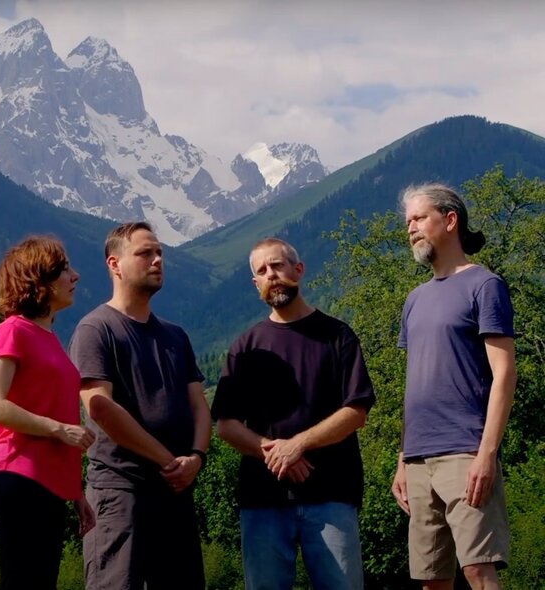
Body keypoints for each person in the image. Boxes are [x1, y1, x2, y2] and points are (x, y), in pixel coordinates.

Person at [212, 237, 375, 590]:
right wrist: (276, 451)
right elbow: (225, 424)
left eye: (278, 265)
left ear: (298, 270)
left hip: (332, 495)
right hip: (262, 500)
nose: (272, 275)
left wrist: (298, 444)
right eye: (262, 271)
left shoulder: (338, 336)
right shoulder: (246, 347)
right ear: (256, 284)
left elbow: (356, 410)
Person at [68, 221, 211, 590]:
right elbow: (99, 408)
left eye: (160, 252)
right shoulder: (96, 329)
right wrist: (169, 460)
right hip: (120, 493)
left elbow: (199, 406)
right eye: (145, 253)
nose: (158, 260)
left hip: (176, 492)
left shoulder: (176, 336)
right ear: (114, 264)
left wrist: (196, 457)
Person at [392, 184, 516, 590]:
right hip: (418, 459)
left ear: (450, 220)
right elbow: (417, 383)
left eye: (419, 218)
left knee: (479, 570)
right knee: (430, 580)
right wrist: (402, 459)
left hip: (465, 451)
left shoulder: (485, 285)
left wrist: (487, 454)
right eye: (407, 221)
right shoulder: (413, 299)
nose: (410, 228)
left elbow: (505, 374)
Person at [0, 236, 96, 590]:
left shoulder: (47, 337)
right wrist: (59, 430)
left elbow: (50, 406)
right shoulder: (12, 331)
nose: (75, 276)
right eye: (64, 270)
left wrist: (75, 493)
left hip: (47, 484)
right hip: (20, 477)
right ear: (38, 282)